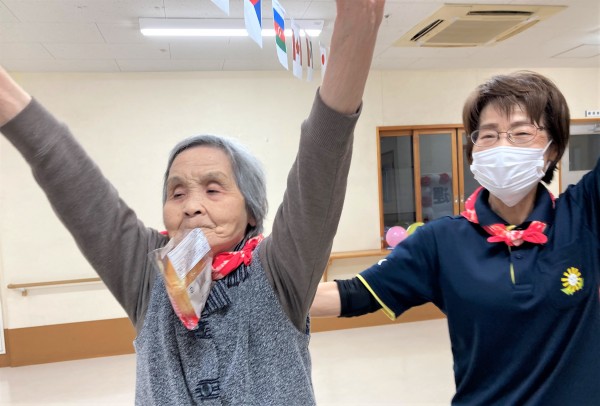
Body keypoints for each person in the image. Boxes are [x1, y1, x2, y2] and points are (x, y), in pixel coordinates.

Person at [0, 1, 386, 404]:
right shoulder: (146, 274)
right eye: (177, 192)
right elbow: (67, 175)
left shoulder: (280, 271)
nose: (191, 206)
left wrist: (357, 25)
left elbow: (322, 158)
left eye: (213, 189)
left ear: (251, 211)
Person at [312, 71, 600, 405]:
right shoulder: (441, 241)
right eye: (488, 135)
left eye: (521, 132)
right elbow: (353, 294)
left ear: (553, 149)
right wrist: (268, 291)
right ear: (473, 150)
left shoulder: (583, 214)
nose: (502, 146)